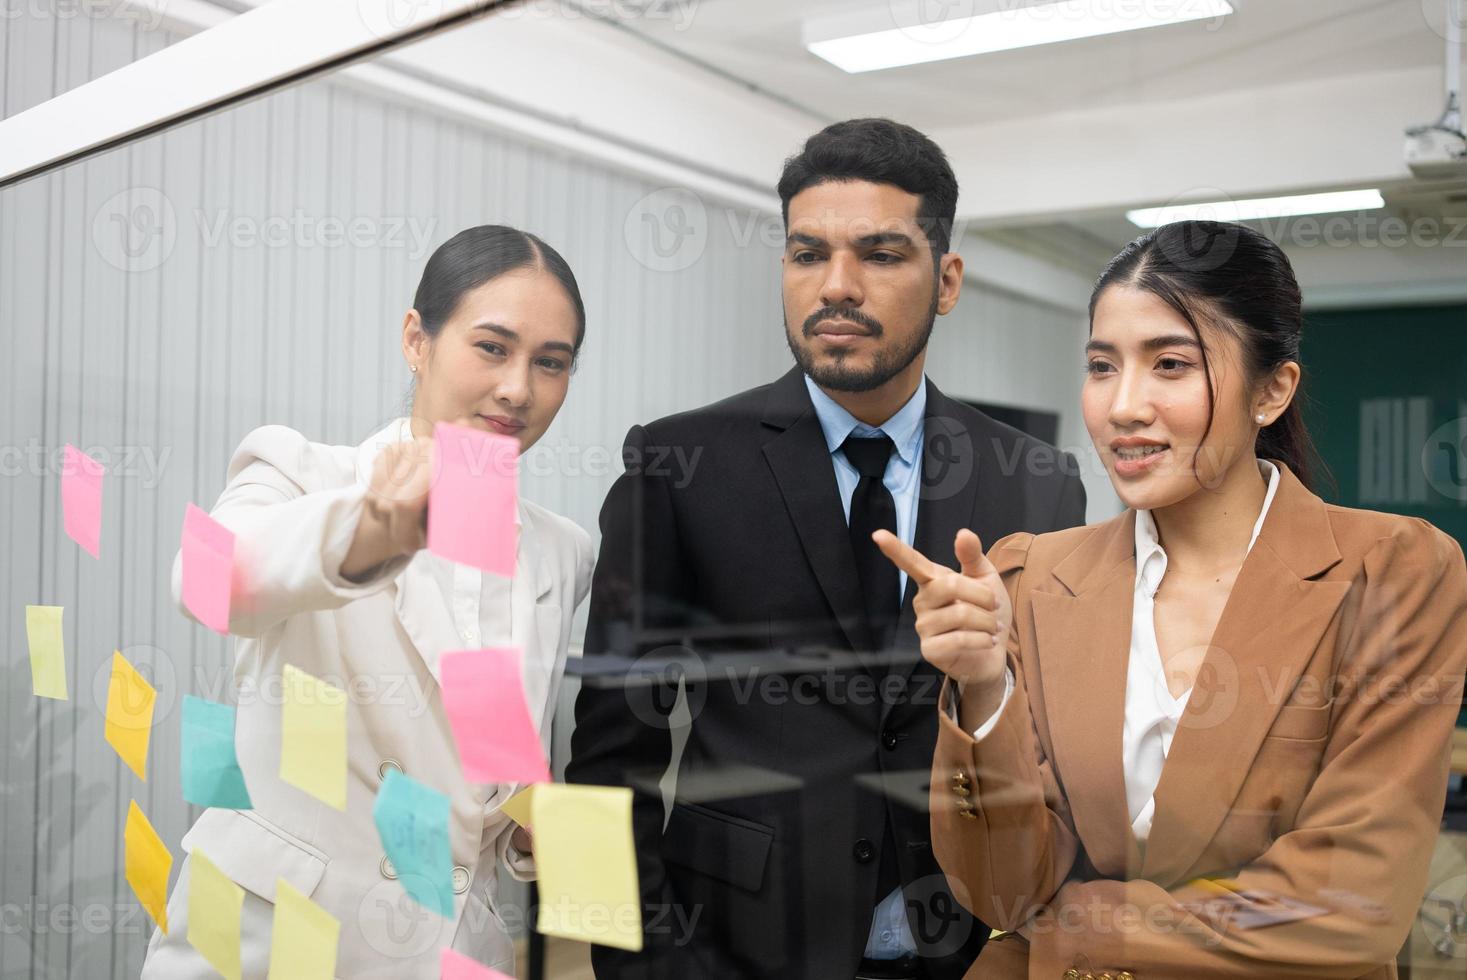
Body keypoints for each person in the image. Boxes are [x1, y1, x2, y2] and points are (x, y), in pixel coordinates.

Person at [566, 118, 1088, 980]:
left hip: (964, 950)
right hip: (732, 949)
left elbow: (1051, 752)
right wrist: (636, 967)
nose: (835, 287)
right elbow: (605, 760)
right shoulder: (680, 466)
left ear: (946, 279)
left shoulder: (1034, 482)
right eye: (807, 254)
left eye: (880, 255)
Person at [880, 220, 1467, 979]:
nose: (1123, 405)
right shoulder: (1026, 577)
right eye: (1101, 365)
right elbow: (1000, 892)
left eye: (1169, 365)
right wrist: (984, 689)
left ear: (1270, 391)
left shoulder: (1390, 571)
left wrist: (1079, 928)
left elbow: (1352, 902)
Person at [140, 225, 595, 978]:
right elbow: (207, 581)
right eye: (492, 347)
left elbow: (483, 754)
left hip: (449, 954)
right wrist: (369, 533)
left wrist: (522, 833)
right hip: (269, 944)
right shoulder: (302, 471)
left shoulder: (561, 550)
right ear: (416, 339)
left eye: (551, 363)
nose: (519, 388)